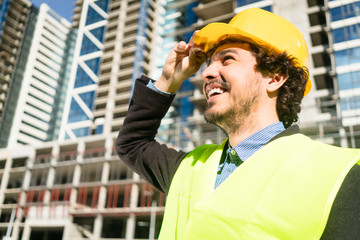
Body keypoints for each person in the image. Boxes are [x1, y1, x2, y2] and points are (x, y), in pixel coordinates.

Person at [117, 8, 360, 239]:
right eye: (209, 62)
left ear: (275, 77)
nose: (206, 72)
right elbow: (132, 144)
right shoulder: (189, 167)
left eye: (228, 59)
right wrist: (168, 80)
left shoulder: (342, 175)